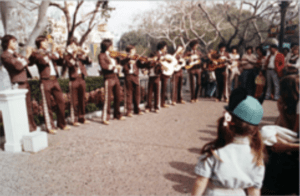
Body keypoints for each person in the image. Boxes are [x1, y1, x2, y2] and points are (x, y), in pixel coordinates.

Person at [192, 87, 265, 196]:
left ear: (229, 121)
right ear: (254, 129)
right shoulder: (257, 157)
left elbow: (200, 182)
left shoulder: (214, 151)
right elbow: (254, 190)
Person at [261, 75, 299, 195]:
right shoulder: (291, 107)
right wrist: (281, 112)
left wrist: (286, 146)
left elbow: (294, 136)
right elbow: (291, 133)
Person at [29, 35, 70, 134]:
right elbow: (43, 61)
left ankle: (61, 124)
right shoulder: (36, 53)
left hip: (55, 80)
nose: (47, 43)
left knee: (61, 101)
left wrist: (60, 53)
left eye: (47, 41)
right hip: (45, 80)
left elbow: (60, 62)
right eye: (45, 42)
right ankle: (50, 126)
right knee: (47, 105)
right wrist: (54, 51)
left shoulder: (49, 53)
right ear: (40, 43)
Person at [1, 34, 37, 132]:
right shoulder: (5, 55)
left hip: (24, 82)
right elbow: (18, 66)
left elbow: (28, 62)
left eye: (16, 41)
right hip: (18, 83)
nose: (16, 43)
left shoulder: (16, 54)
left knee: (28, 107)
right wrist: (27, 55)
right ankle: (25, 130)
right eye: (13, 41)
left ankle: (32, 128)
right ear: (6, 43)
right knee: (22, 108)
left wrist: (32, 54)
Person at [64, 38, 91, 126]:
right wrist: (73, 54)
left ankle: (82, 117)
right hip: (73, 80)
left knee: (82, 99)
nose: (74, 47)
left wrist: (86, 54)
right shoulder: (67, 56)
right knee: (74, 100)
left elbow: (88, 62)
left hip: (81, 78)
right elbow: (70, 64)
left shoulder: (80, 56)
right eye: (71, 45)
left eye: (75, 45)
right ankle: (74, 119)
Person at [98, 39, 125, 125]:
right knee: (107, 98)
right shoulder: (101, 55)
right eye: (111, 46)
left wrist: (124, 59)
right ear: (107, 46)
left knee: (118, 96)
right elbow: (104, 66)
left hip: (116, 77)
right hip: (108, 78)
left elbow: (120, 63)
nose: (113, 48)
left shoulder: (113, 55)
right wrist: (114, 67)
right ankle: (105, 117)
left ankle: (117, 114)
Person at [120, 45, 147, 117]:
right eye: (133, 50)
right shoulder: (124, 57)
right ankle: (128, 111)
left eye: (135, 50)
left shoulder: (136, 57)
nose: (135, 51)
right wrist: (128, 60)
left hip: (136, 76)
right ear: (129, 51)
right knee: (129, 94)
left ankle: (137, 109)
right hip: (128, 76)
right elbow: (121, 62)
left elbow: (141, 66)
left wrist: (142, 63)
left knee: (137, 94)